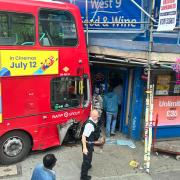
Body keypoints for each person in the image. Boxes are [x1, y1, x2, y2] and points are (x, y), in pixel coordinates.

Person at [80, 109, 104, 180]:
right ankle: (83, 176)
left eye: (97, 116)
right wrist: (84, 148)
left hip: (91, 142)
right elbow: (83, 136)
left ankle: (88, 165)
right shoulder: (89, 125)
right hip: (87, 144)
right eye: (94, 116)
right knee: (86, 160)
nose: (96, 117)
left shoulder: (95, 120)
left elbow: (97, 128)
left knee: (90, 156)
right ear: (91, 115)